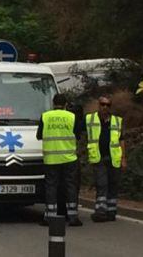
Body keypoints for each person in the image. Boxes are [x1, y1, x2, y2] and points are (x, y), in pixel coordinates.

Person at [37, 93, 84, 227]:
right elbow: (78, 135)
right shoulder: (72, 116)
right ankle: (73, 216)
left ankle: (50, 216)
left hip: (51, 159)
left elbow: (39, 135)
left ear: (53, 103)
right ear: (65, 104)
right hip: (69, 158)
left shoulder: (45, 116)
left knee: (51, 186)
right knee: (70, 186)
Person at [87, 95, 126, 222]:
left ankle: (111, 211)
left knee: (113, 185)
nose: (105, 107)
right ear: (99, 105)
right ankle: (100, 211)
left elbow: (121, 140)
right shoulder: (90, 119)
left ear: (110, 107)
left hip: (113, 158)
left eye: (107, 105)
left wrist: (123, 158)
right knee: (102, 184)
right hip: (99, 157)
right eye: (102, 104)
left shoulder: (117, 121)